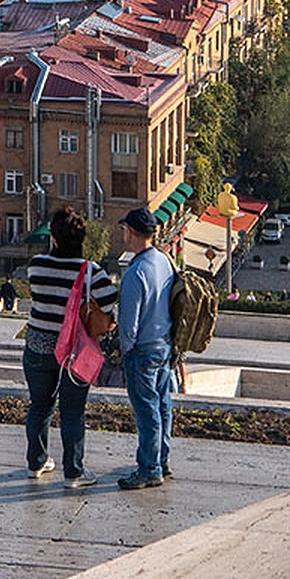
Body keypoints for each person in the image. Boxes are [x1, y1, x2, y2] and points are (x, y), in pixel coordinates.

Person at [21, 207, 117, 489]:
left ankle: (36, 462)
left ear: (54, 237)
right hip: (73, 351)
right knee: (73, 410)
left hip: (38, 345)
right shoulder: (90, 271)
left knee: (39, 405)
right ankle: (73, 472)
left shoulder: (36, 265)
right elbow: (110, 304)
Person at [116, 207, 175, 491]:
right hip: (165, 344)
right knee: (163, 405)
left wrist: (125, 350)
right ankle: (161, 459)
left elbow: (128, 322)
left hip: (143, 350)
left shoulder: (135, 272)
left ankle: (149, 469)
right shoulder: (164, 261)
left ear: (131, 232)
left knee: (147, 410)